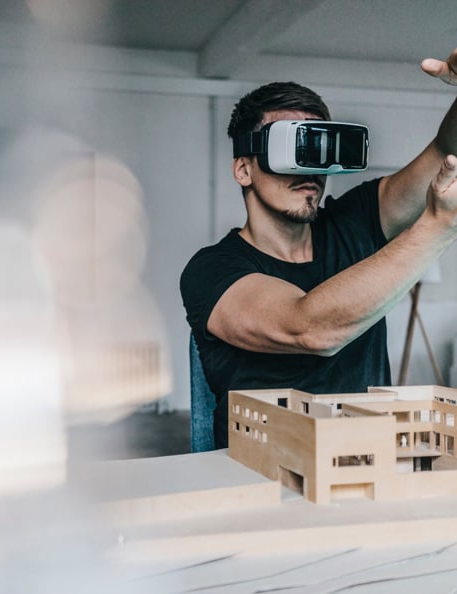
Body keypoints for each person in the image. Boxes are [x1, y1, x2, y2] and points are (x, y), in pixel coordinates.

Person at [180, 49, 457, 449]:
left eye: (317, 149)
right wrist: (438, 228)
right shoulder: (212, 270)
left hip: (361, 467)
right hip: (261, 481)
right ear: (244, 169)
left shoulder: (357, 220)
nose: (309, 169)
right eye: (290, 150)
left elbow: (444, 150)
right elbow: (311, 327)